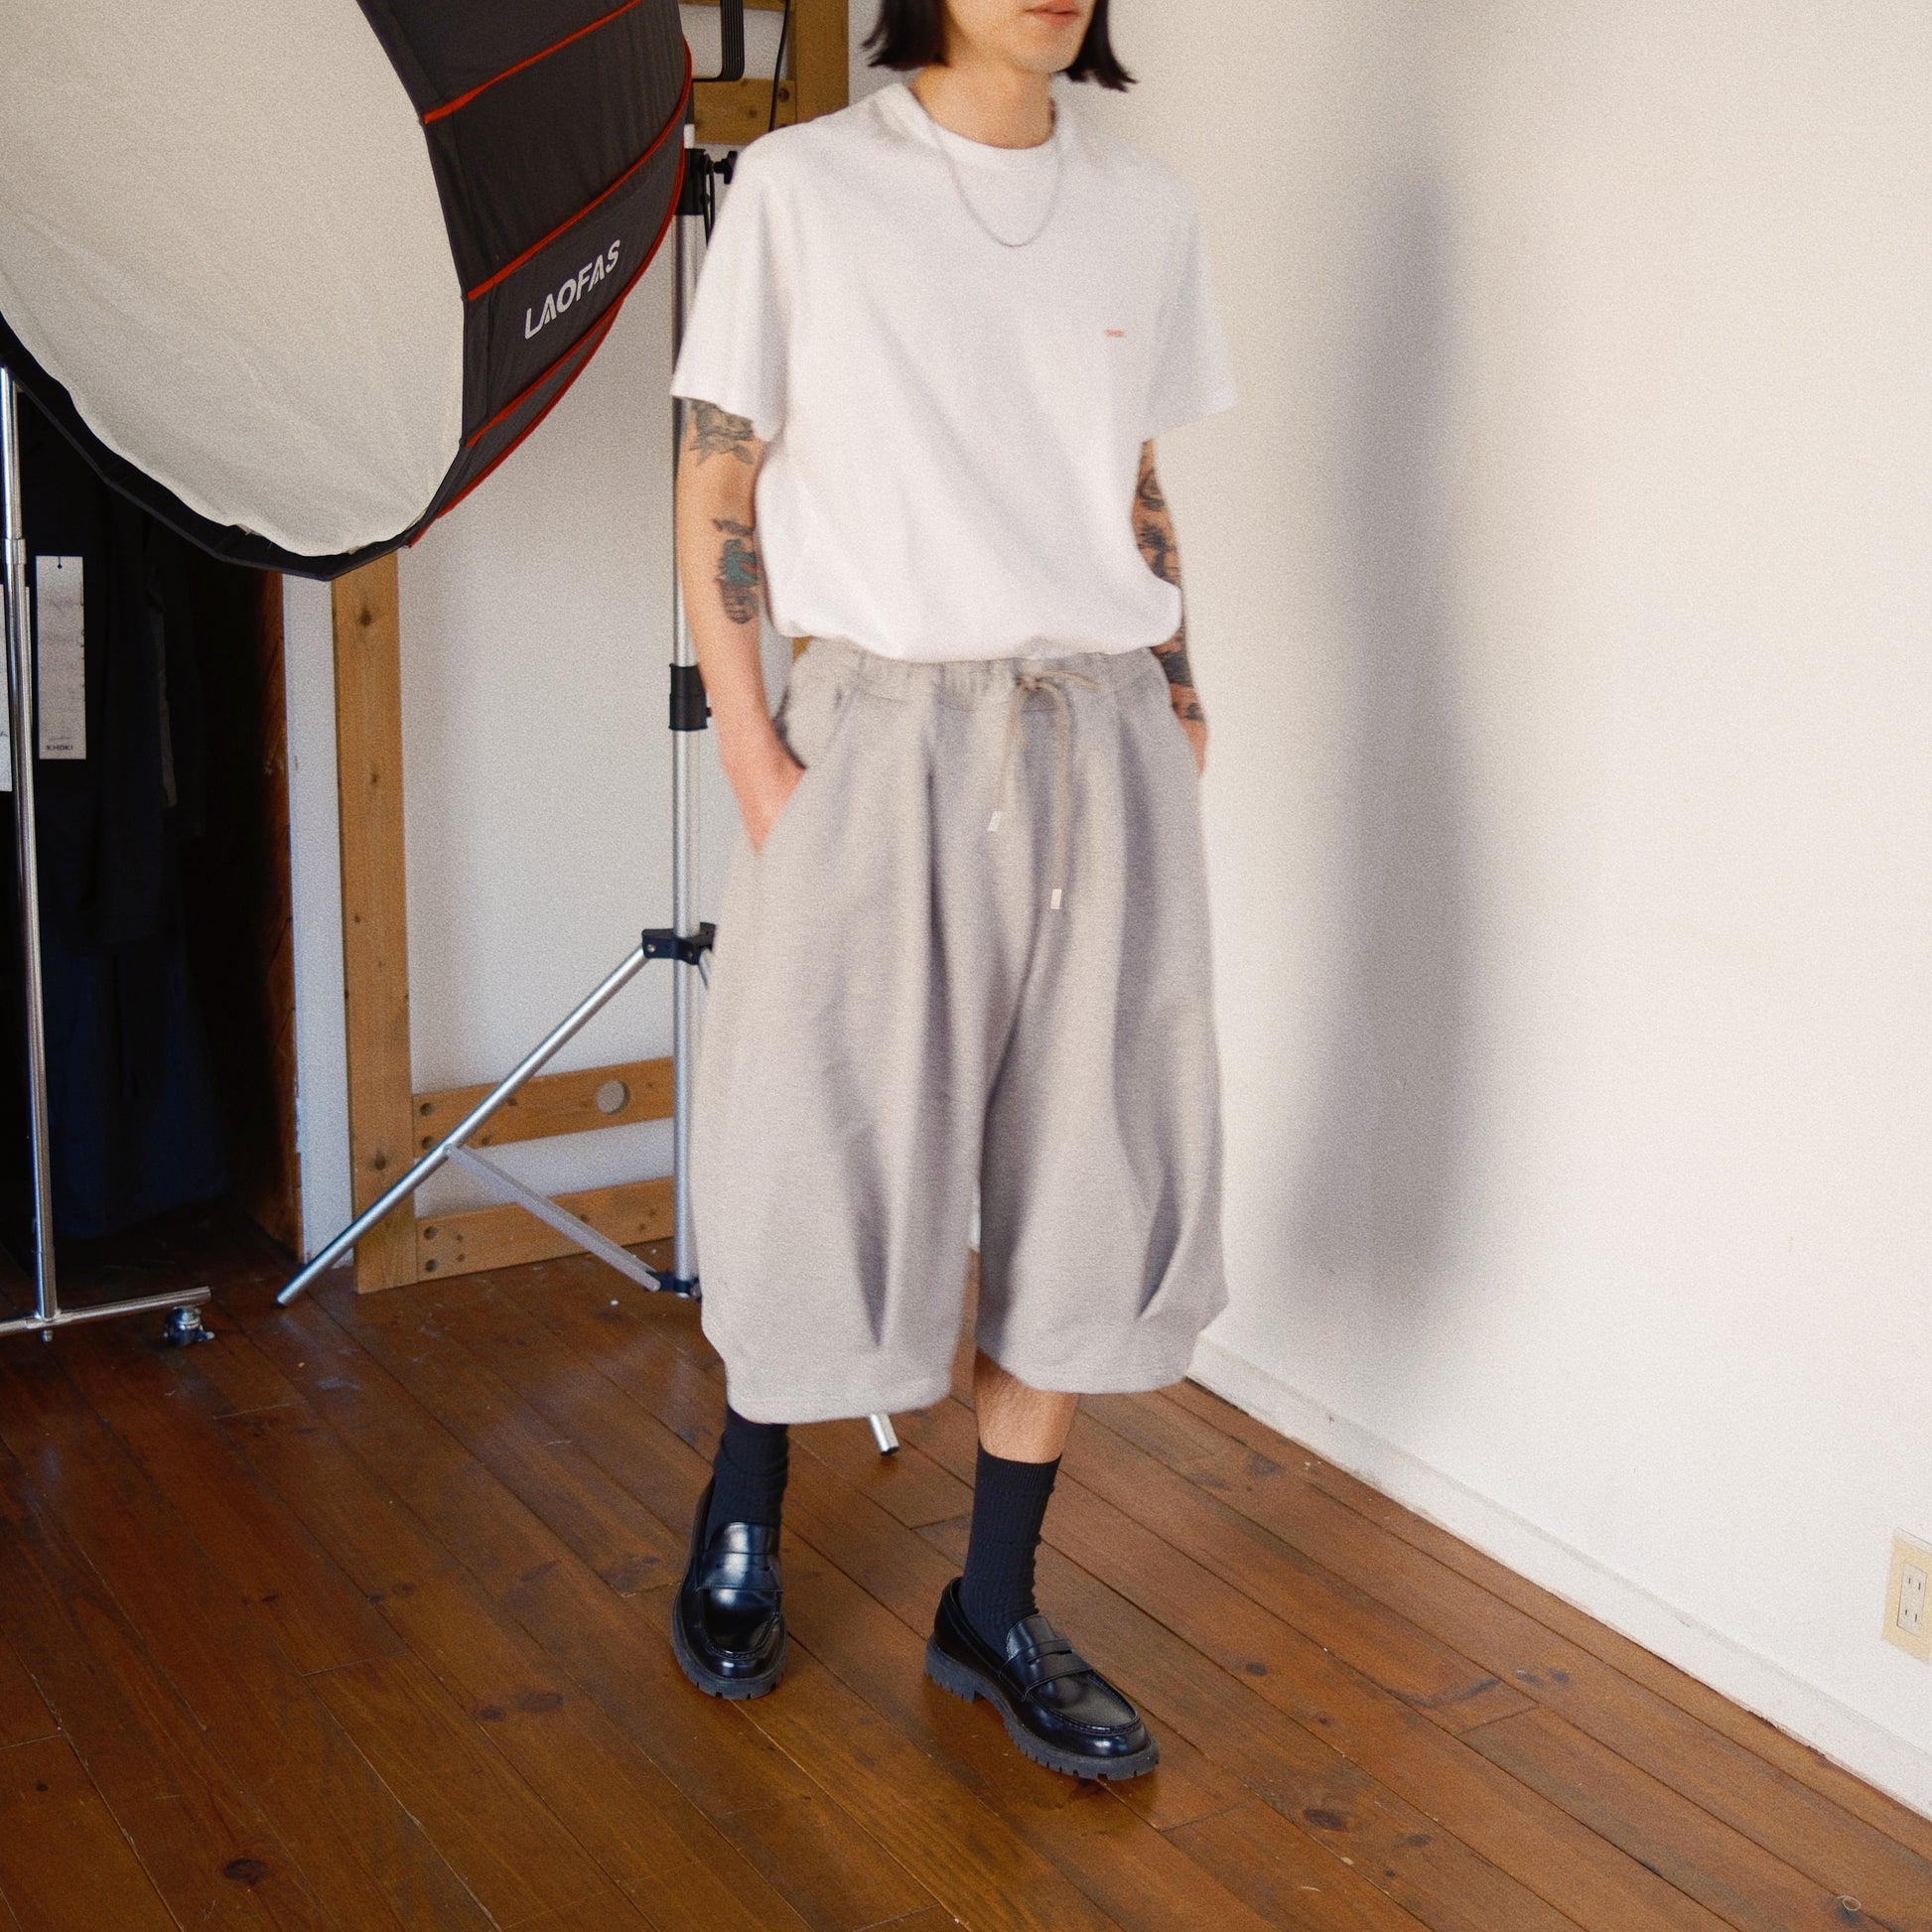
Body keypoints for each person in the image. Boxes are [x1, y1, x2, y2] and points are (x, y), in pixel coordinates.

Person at [667, 0, 1236, 1781]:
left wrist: (1181, 687)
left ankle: (994, 1602)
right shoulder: (804, 186)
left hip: (1097, 727)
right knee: (815, 1144)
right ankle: (746, 1496)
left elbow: (1128, 471)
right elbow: (716, 474)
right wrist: (754, 757)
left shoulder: (1143, 208)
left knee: (1085, 1167)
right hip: (879, 733)